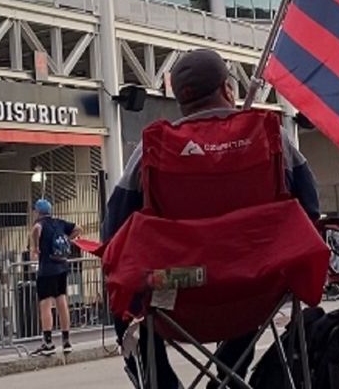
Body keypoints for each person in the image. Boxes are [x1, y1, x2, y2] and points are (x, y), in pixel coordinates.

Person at [103, 48, 320, 389]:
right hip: (258, 285)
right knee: (250, 266)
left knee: (121, 292)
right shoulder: (270, 137)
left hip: (176, 288)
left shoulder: (152, 150)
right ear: (229, 90)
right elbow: (310, 209)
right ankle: (231, 375)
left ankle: (162, 385)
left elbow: (112, 230)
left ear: (180, 101)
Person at [32, 198, 81, 355]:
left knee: (46, 305)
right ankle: (66, 341)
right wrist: (68, 239)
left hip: (46, 270)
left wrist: (35, 247)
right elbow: (78, 228)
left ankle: (48, 342)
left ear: (37, 212)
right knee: (62, 301)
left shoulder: (40, 224)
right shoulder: (59, 223)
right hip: (62, 268)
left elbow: (36, 230)